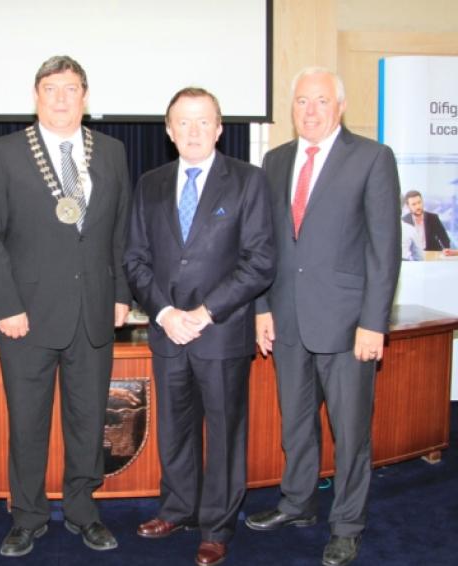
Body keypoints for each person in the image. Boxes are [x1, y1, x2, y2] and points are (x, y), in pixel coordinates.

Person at [0, 55, 131, 557]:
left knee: (88, 421)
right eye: (51, 88)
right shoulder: (4, 153)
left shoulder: (111, 151)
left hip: (94, 311)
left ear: (85, 96)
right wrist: (5, 306)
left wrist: (122, 294)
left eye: (71, 88)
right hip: (27, 317)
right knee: (28, 422)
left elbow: (122, 230)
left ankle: (84, 512)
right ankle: (28, 516)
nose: (61, 97)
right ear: (35, 95)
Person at [244, 67, 401, 566]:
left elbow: (385, 249)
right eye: (301, 103)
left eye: (321, 102)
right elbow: (263, 245)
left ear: (340, 107)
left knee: (351, 432)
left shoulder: (373, 158)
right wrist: (261, 308)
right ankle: (298, 503)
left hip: (348, 325)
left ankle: (348, 524)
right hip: (286, 321)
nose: (310, 111)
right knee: (295, 424)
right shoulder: (274, 160)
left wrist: (374, 322)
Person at [123, 87, 275, 566]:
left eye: (202, 121)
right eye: (182, 122)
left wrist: (205, 313)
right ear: (169, 131)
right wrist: (166, 314)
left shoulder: (248, 181)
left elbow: (260, 261)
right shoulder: (149, 182)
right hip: (168, 332)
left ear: (219, 128)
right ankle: (177, 509)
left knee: (225, 433)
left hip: (222, 330)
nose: (192, 131)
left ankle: (216, 525)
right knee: (175, 429)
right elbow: (135, 259)